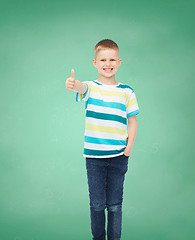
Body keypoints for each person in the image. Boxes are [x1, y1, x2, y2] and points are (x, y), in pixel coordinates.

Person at [65, 39, 140, 240]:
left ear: (119, 62)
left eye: (112, 59)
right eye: (103, 59)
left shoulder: (127, 91)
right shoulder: (91, 87)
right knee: (97, 204)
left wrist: (129, 147)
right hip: (94, 158)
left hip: (119, 156)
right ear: (95, 63)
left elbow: (132, 121)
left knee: (115, 204)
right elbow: (81, 88)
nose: (108, 63)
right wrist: (74, 85)